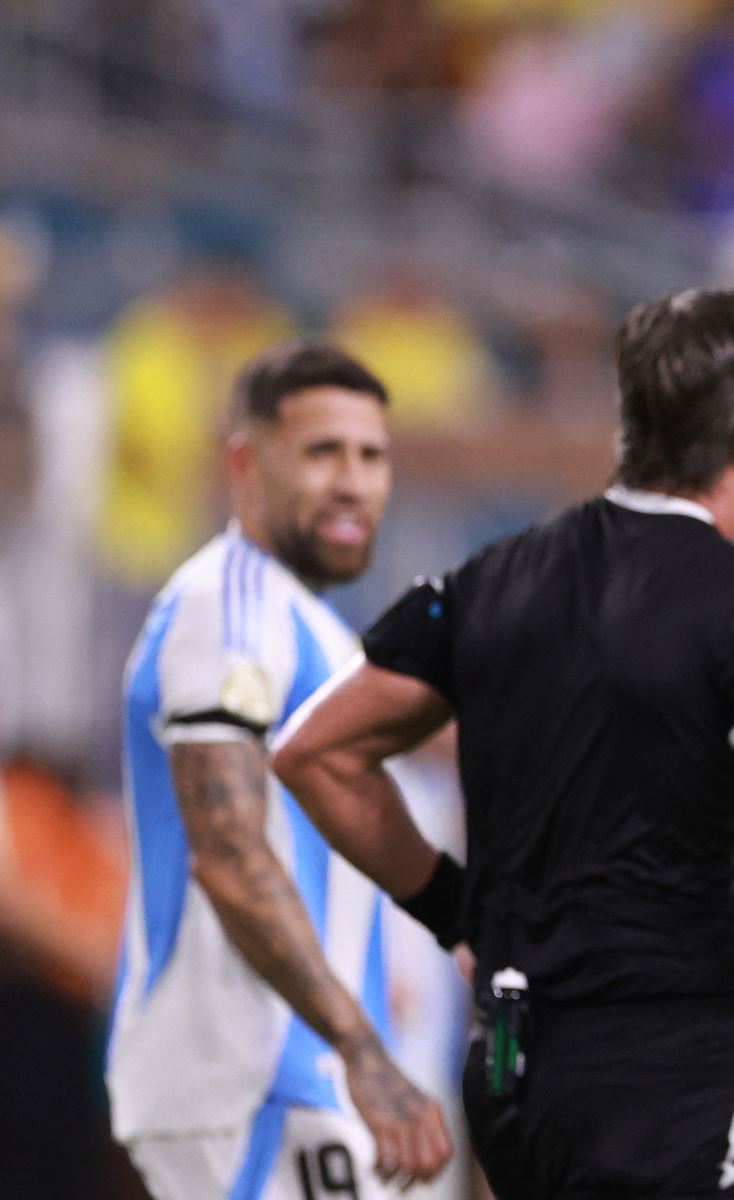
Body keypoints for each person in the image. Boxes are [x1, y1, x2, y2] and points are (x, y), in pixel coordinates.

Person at [272, 288, 734, 1199]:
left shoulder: (489, 579)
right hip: (664, 1069)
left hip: (513, 1064)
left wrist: (455, 911)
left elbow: (314, 752)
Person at [107, 341, 453, 1198]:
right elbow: (229, 853)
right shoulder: (227, 604)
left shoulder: (313, 628)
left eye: (372, 456)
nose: (353, 482)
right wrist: (364, 1051)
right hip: (250, 1071)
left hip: (301, 1069)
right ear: (243, 463)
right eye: (321, 452)